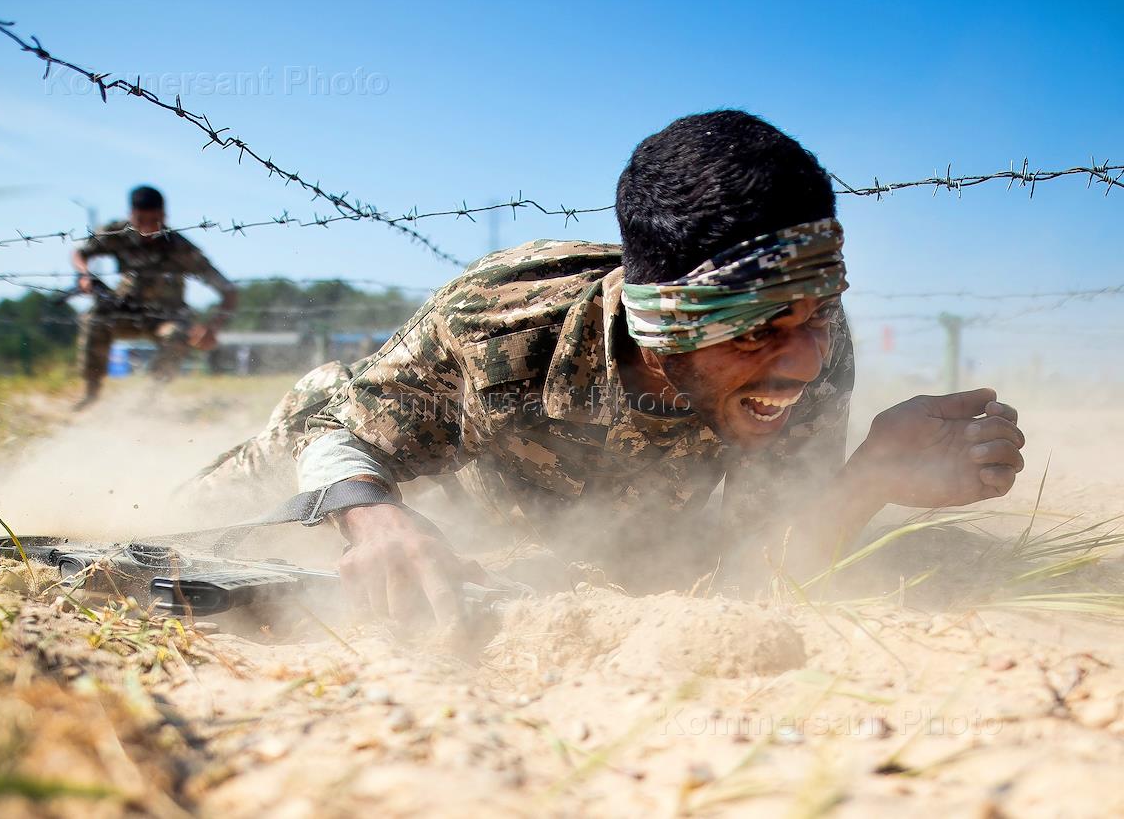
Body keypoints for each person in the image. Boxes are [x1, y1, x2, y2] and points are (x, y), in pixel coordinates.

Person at [192, 110, 1025, 625]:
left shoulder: (814, 350)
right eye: (761, 330)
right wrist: (377, 518)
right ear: (665, 323)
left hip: (565, 535)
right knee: (205, 518)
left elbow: (767, 566)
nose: (804, 360)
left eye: (817, 314)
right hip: (399, 469)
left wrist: (870, 476)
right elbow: (340, 432)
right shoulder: (504, 321)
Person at [71, 185, 238, 409]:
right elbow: (80, 253)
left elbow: (228, 290)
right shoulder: (117, 233)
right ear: (131, 215)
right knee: (94, 319)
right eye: (141, 220)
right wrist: (84, 275)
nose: (148, 227)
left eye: (154, 220)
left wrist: (213, 327)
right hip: (126, 311)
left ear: (164, 216)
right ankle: (91, 393)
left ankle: (147, 399)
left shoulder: (180, 248)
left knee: (177, 334)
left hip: (166, 317)